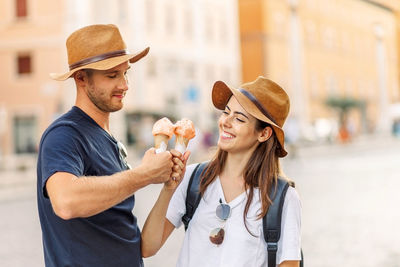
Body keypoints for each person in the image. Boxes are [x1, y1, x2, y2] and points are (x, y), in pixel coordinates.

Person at [36, 24, 188, 267]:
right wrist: (144, 174)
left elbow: (144, 248)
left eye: (125, 73)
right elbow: (65, 202)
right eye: (112, 75)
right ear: (81, 78)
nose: (125, 85)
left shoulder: (112, 142)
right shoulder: (64, 134)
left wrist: (169, 186)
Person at [141, 76, 302, 267]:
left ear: (264, 133)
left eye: (239, 119)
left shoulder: (282, 198)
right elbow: (148, 248)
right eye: (226, 112)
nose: (226, 122)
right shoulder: (192, 178)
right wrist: (168, 189)